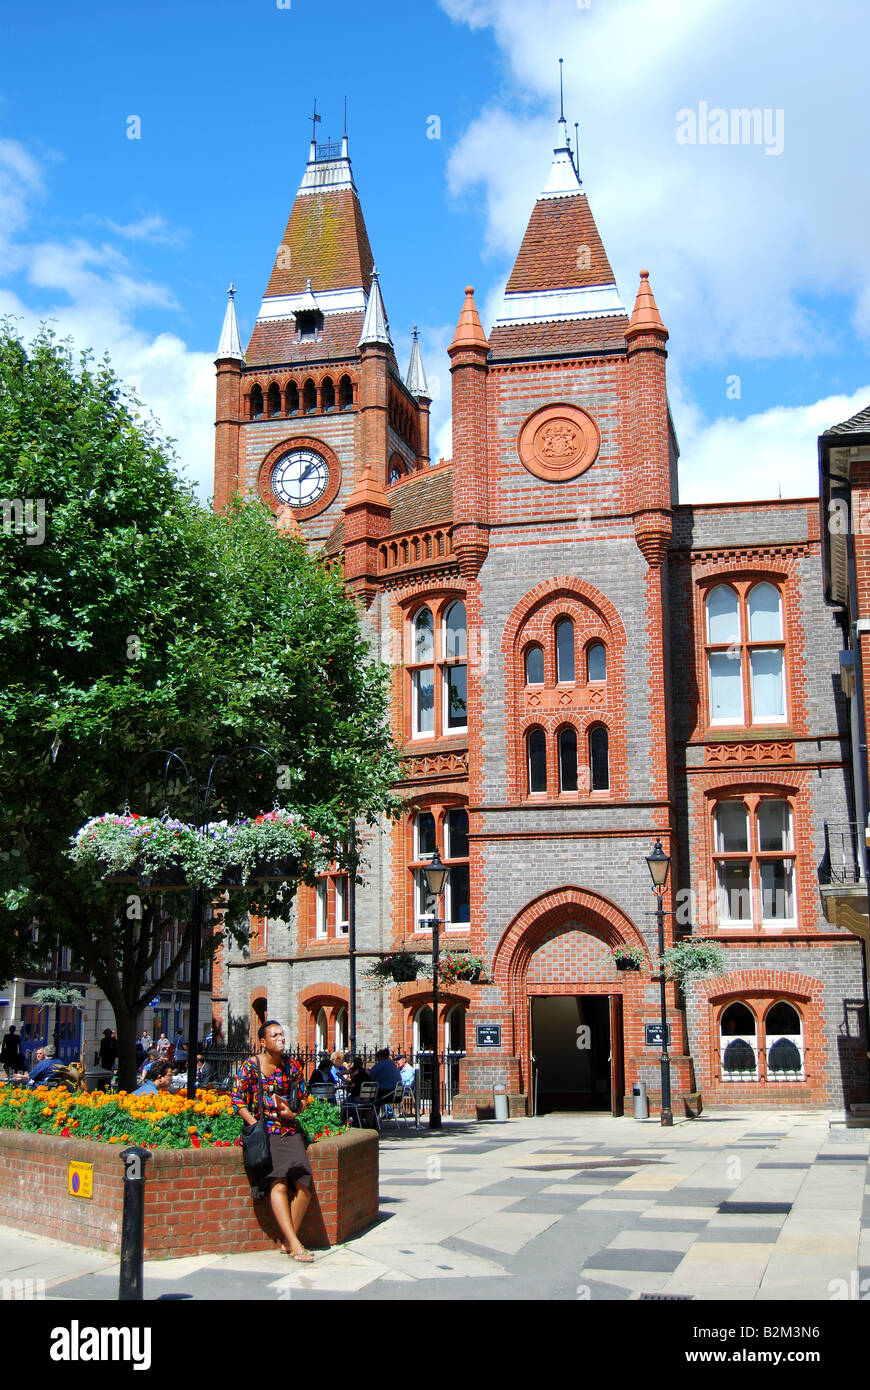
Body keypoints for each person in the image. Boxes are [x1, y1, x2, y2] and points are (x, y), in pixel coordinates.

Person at [232, 1020, 313, 1263]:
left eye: (282, 1034)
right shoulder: (251, 1066)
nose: (280, 1038)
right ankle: (295, 1244)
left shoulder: (292, 1066)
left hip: (288, 1129)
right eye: (274, 1035)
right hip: (266, 1131)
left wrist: (294, 1113)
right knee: (277, 1183)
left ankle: (288, 1241)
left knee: (304, 1183)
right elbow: (237, 1100)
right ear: (263, 1042)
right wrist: (253, 1123)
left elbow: (304, 1097)